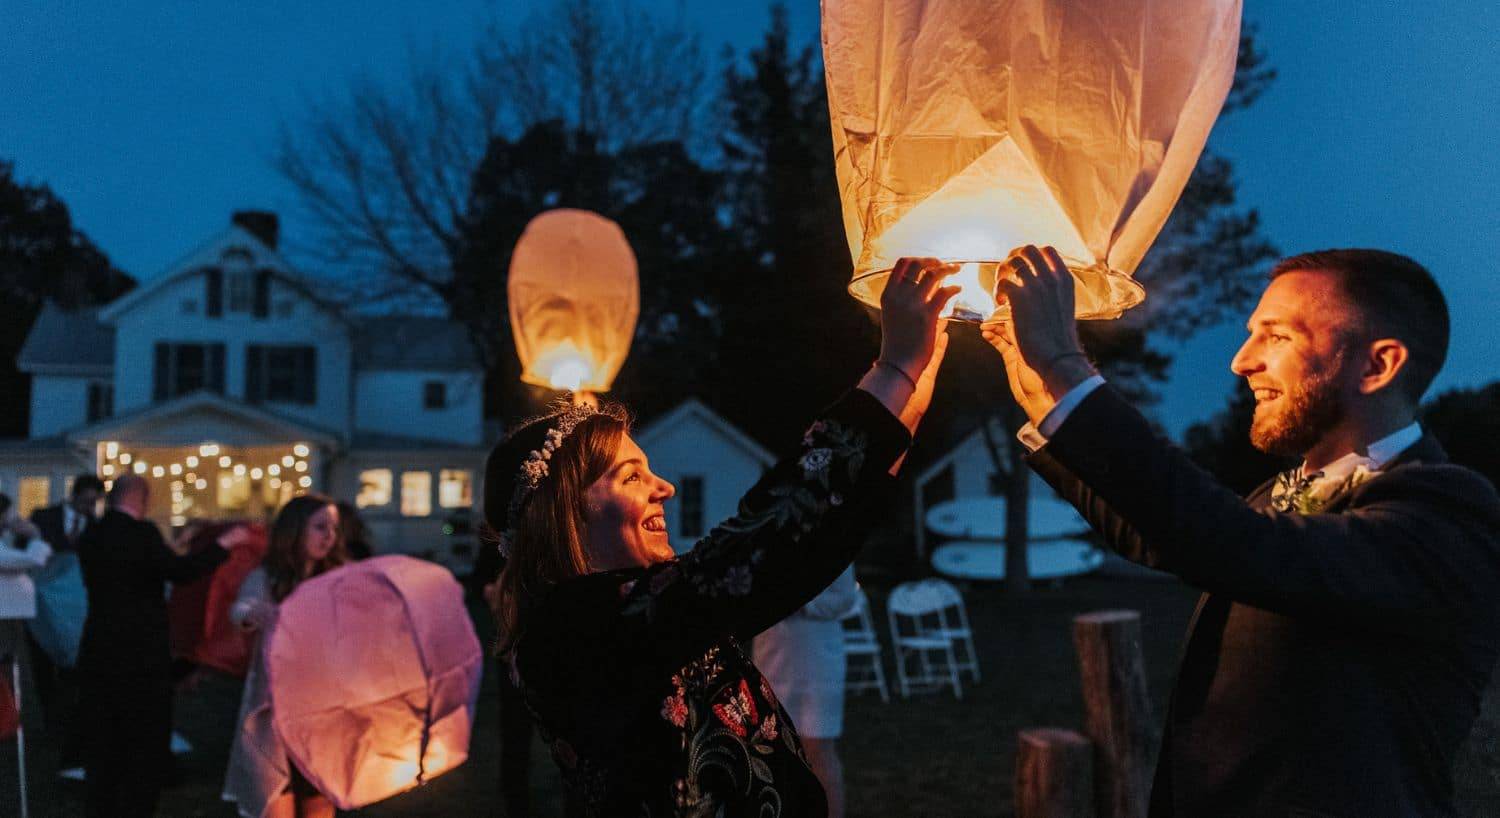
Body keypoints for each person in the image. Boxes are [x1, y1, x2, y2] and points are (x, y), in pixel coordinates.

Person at [985, 245, 1500, 816]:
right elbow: (1166, 535)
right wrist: (1043, 398)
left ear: (1377, 366)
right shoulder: (1274, 497)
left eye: (1276, 336)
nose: (1241, 360)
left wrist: (1065, 362)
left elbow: (1224, 538)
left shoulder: (1446, 513)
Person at [487, 257, 957, 816]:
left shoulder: (630, 607)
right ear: (565, 512)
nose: (664, 488)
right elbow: (764, 546)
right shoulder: (571, 630)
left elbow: (805, 538)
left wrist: (911, 393)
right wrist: (894, 370)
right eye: (631, 476)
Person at [75, 473, 230, 818]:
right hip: (141, 656)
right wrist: (225, 545)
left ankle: (100, 807)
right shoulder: (142, 534)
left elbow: (144, 565)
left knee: (104, 741)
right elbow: (181, 573)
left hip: (99, 649)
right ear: (141, 499)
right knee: (144, 742)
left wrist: (182, 541)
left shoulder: (92, 535)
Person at [223, 494, 348, 818]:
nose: (329, 536)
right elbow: (242, 610)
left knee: (318, 803)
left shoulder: (337, 581)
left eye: (333, 528)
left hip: (321, 720)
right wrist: (255, 613)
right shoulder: (266, 579)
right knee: (274, 798)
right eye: (320, 527)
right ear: (294, 531)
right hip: (274, 719)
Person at [752, 566, 859, 818]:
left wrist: (803, 603)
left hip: (819, 657)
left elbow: (844, 599)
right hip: (773, 654)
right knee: (773, 748)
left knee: (818, 746)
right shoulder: (766, 541)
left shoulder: (832, 541)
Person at [26, 473, 102, 775]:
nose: (88, 507)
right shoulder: (43, 517)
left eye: (94, 503)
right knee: (42, 663)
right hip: (42, 604)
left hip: (73, 607)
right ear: (74, 496)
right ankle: (50, 722)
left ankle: (67, 722)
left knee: (72, 666)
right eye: (85, 501)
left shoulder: (95, 527)